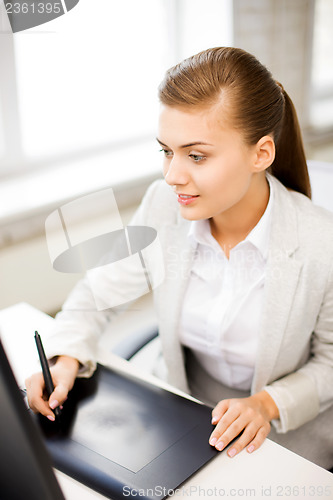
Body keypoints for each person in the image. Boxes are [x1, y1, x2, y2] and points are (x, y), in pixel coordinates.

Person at [26, 47, 333, 469]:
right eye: (166, 151)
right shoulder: (163, 206)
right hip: (184, 413)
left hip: (285, 436)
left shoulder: (321, 244)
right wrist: (65, 358)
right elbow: (98, 294)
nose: (172, 176)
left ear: (261, 153)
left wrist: (265, 404)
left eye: (196, 155)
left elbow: (331, 364)